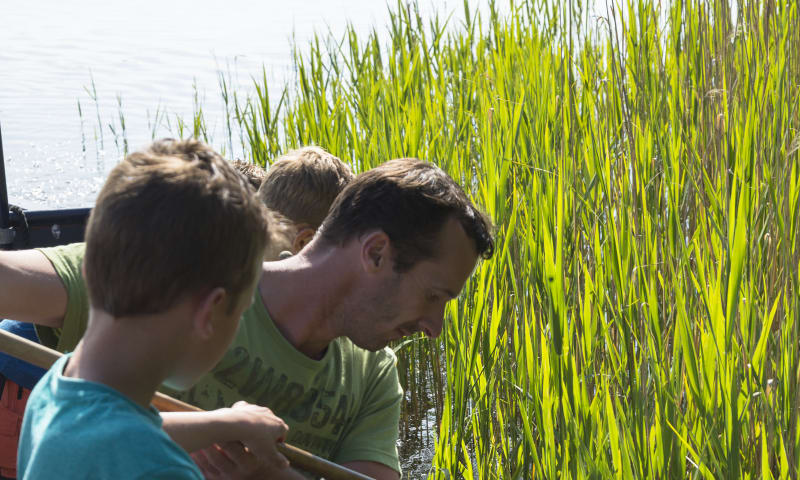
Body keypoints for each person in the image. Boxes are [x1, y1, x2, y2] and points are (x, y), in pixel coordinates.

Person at [1, 157, 495, 479]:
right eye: (434, 295)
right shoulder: (177, 276)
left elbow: (105, 427)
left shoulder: (373, 376)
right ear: (376, 253)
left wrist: (273, 474)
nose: (435, 327)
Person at [0, 145, 352, 479]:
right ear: (209, 314)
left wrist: (227, 423)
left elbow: (127, 430)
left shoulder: (57, 387)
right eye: (243, 311)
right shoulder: (160, 470)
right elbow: (136, 441)